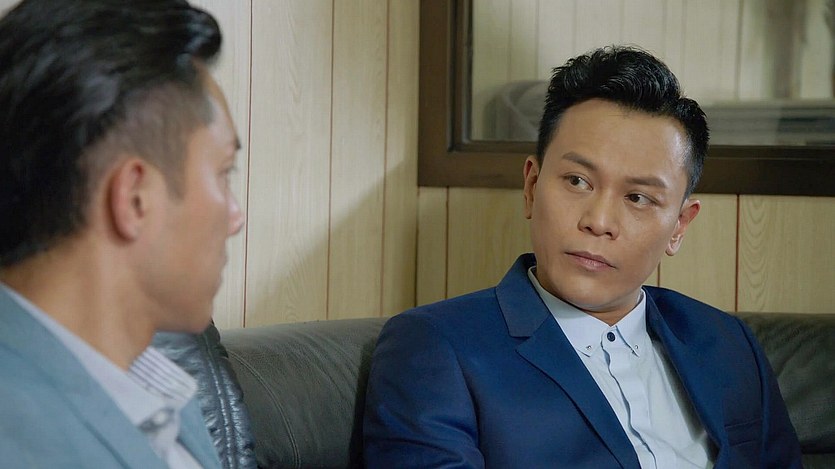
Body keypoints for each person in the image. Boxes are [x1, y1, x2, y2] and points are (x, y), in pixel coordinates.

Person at [363, 46, 802, 468]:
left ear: (679, 226)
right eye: (577, 181)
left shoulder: (729, 344)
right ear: (532, 186)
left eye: (638, 197)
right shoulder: (436, 347)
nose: (599, 221)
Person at [0, 0, 244, 467]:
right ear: (135, 199)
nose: (235, 217)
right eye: (224, 172)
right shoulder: (20, 438)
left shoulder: (162, 394)